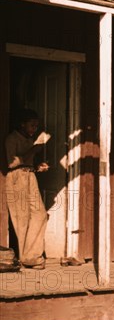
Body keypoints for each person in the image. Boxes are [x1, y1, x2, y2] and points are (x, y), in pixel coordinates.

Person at [5, 108, 49, 269]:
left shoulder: (29, 140)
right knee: (21, 218)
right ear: (22, 124)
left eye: (36, 126)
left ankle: (31, 255)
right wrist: (34, 149)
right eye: (32, 125)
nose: (34, 129)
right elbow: (11, 163)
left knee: (40, 214)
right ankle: (28, 258)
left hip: (30, 176)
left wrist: (38, 167)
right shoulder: (12, 139)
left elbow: (27, 160)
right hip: (17, 178)